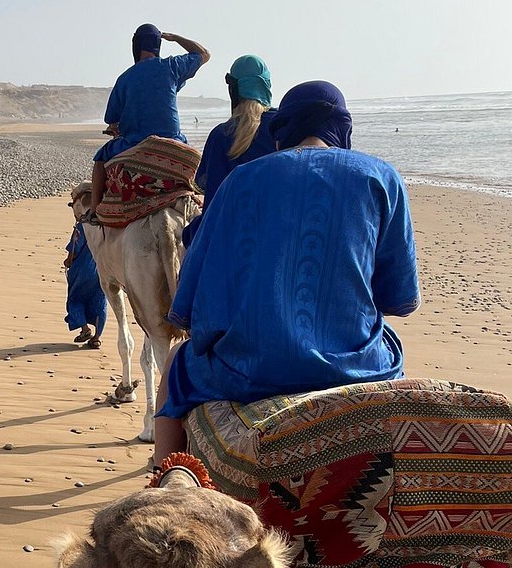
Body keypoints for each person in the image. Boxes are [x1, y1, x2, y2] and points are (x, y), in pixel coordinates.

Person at [155, 80, 420, 465]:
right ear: (343, 129)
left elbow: (194, 302)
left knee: (176, 364)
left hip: (249, 371)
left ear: (281, 131)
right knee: (391, 344)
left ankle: (167, 479)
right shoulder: (382, 177)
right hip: (358, 367)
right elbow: (399, 299)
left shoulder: (240, 180)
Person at [89, 24, 210, 217]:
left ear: (135, 47)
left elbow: (111, 119)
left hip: (135, 143)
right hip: (173, 143)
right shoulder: (172, 66)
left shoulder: (124, 79)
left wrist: (116, 127)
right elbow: (204, 54)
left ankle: (94, 211)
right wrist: (176, 38)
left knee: (100, 159)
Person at [182, 53, 278, 247]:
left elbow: (213, 204)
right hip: (278, 227)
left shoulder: (222, 135)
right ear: (266, 86)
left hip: (235, 232)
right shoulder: (283, 128)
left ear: (233, 90)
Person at [63, 184, 107, 348]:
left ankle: (84, 328)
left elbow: (75, 245)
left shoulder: (82, 225)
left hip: (82, 269)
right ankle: (97, 337)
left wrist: (68, 260)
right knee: (100, 300)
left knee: (75, 298)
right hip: (103, 267)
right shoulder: (106, 222)